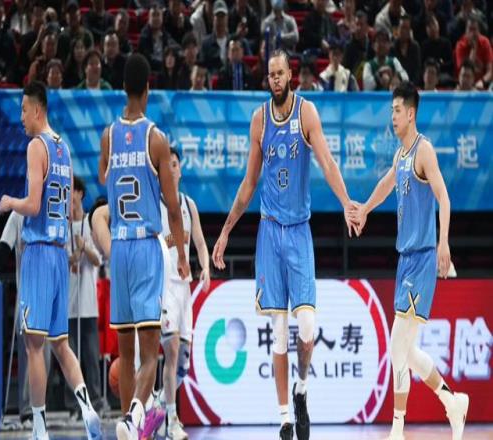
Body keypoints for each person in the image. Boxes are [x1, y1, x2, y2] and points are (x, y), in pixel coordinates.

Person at [212, 49, 357, 440]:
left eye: (280, 73)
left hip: (298, 231)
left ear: (291, 75)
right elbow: (248, 184)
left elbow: (327, 162)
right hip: (269, 232)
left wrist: (346, 203)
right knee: (278, 330)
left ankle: (301, 388)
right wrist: (225, 231)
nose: (275, 79)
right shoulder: (259, 120)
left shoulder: (306, 113)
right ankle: (284, 420)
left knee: (307, 325)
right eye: (270, 74)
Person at [349, 81, 469, 440]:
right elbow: (386, 185)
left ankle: (397, 429)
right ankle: (452, 400)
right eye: (391, 111)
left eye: (397, 111)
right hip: (405, 260)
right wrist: (365, 209)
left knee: (396, 346)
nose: (393, 117)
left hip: (422, 259)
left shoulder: (423, 150)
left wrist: (443, 243)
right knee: (407, 350)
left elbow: (444, 199)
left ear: (411, 113)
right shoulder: (401, 155)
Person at [0, 81, 101, 440]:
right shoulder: (65, 149)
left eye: (24, 110)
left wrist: (10, 202)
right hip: (60, 254)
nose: (21, 117)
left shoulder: (36, 146)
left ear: (37, 109)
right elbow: (68, 211)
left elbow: (32, 205)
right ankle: (87, 407)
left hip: (40, 253)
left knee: (33, 345)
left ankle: (39, 427)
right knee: (61, 344)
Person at [98, 53, 189, 439]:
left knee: (126, 352)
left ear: (123, 88)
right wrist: (181, 255)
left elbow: (103, 178)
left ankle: (128, 424)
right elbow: (173, 208)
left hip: (119, 247)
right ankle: (135, 413)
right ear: (148, 89)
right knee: (151, 353)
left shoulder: (108, 136)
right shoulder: (157, 139)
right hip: (147, 249)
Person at [146, 148, 211, 439]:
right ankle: (172, 420)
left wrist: (205, 267)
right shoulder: (153, 205)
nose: (171, 169)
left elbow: (200, 242)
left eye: (175, 164)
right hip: (165, 287)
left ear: (181, 170)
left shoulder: (189, 204)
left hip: (184, 289)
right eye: (167, 165)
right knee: (170, 351)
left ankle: (158, 406)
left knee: (183, 364)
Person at [0, 211, 52, 429]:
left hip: (49, 295)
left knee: (46, 358)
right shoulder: (18, 215)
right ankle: (28, 412)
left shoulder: (51, 213)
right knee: (31, 356)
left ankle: (38, 409)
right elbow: (4, 248)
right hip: (27, 295)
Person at [64, 176, 103, 418]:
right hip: (69, 303)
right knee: (70, 357)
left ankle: (96, 400)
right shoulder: (63, 225)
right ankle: (73, 405)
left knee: (90, 355)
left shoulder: (90, 223)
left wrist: (84, 247)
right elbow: (62, 260)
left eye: (72, 192)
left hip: (88, 303)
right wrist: (73, 256)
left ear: (79, 193)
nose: (69, 198)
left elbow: (98, 259)